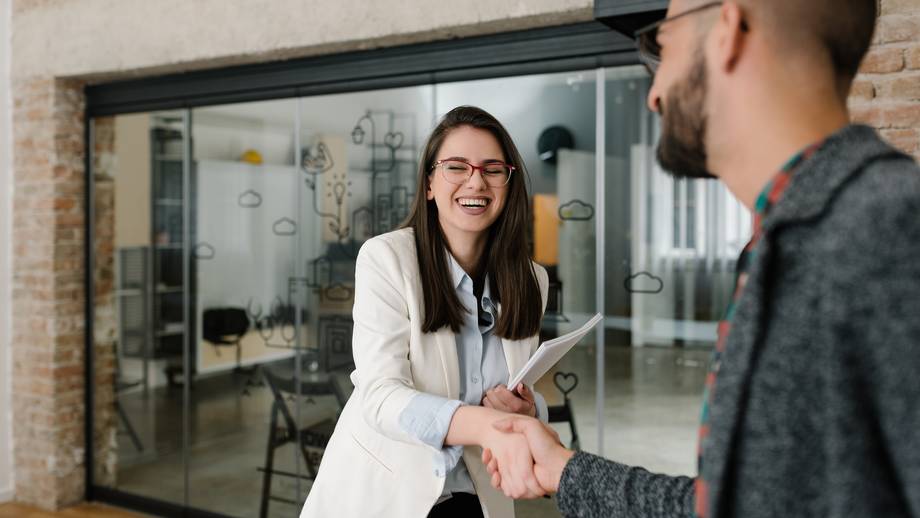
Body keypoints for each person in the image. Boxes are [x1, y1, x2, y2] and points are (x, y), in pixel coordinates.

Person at [483, 1, 920, 517]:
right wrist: (564, 470)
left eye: (661, 49)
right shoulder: (786, 242)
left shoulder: (891, 230)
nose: (654, 93)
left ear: (728, 32)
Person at [301, 105, 553, 518]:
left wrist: (529, 411)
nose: (476, 180)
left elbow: (516, 389)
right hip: (386, 495)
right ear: (430, 183)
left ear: (508, 184)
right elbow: (380, 397)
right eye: (457, 166)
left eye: (492, 169)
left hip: (479, 496)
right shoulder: (386, 259)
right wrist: (487, 424)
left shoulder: (530, 279)